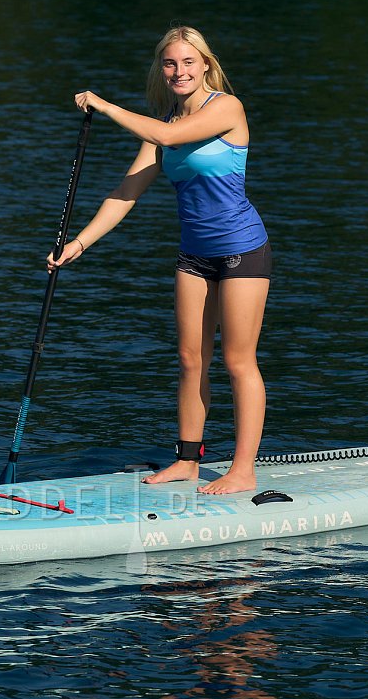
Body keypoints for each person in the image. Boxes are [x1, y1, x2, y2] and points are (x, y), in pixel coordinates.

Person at [47, 26, 271, 495]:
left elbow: (166, 136)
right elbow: (126, 192)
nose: (180, 71)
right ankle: (188, 461)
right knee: (191, 359)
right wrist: (80, 244)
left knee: (237, 361)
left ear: (205, 65)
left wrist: (106, 106)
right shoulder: (162, 126)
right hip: (194, 254)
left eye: (189, 62)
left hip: (242, 250)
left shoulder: (226, 108)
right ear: (160, 69)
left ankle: (242, 469)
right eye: (170, 64)